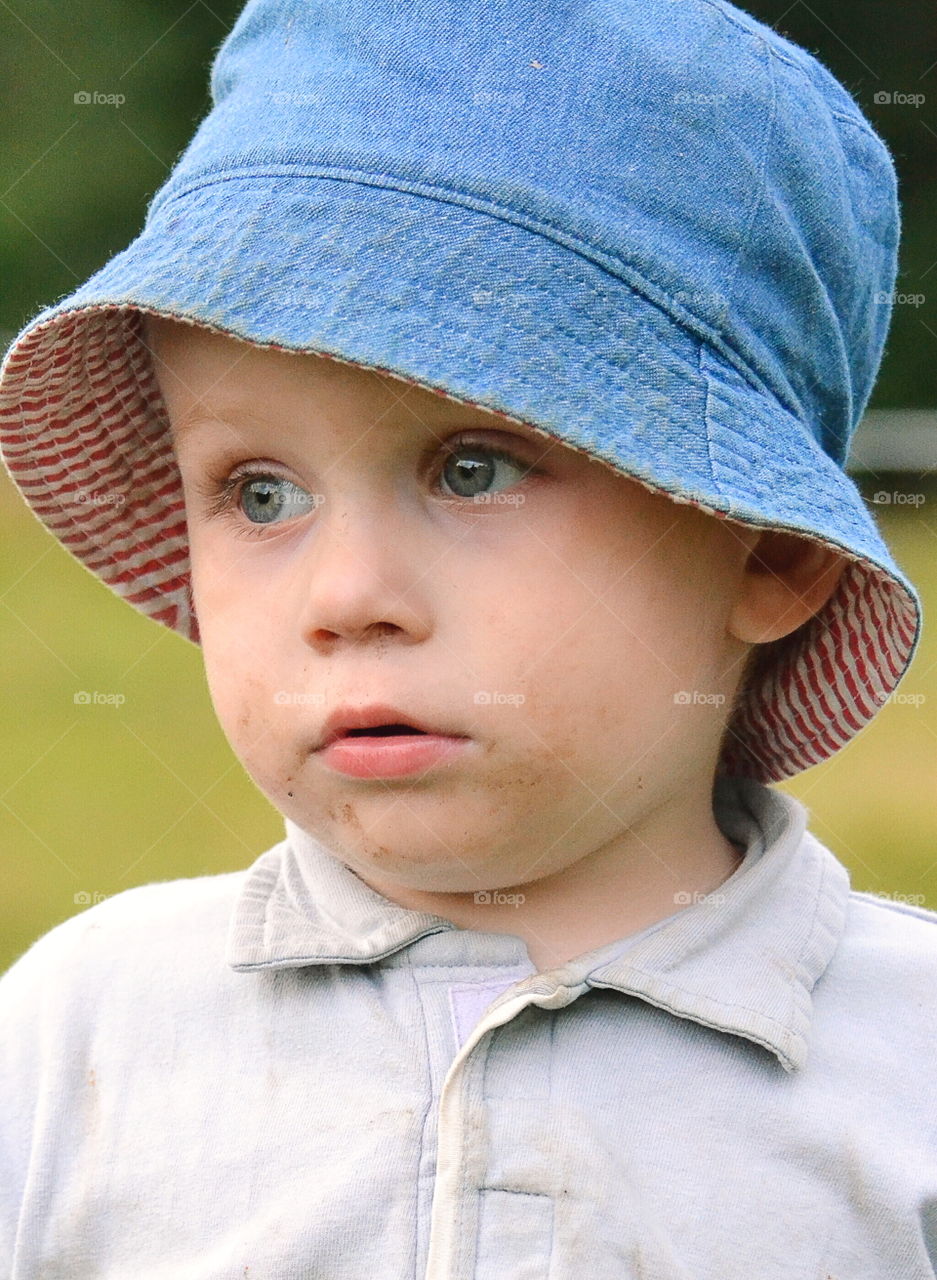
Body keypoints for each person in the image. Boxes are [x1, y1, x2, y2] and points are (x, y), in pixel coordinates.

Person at [0, 0, 932, 1275]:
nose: (347, 593)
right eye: (258, 492)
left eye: (475, 467)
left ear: (767, 548)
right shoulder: (79, 1039)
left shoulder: (905, 1074)